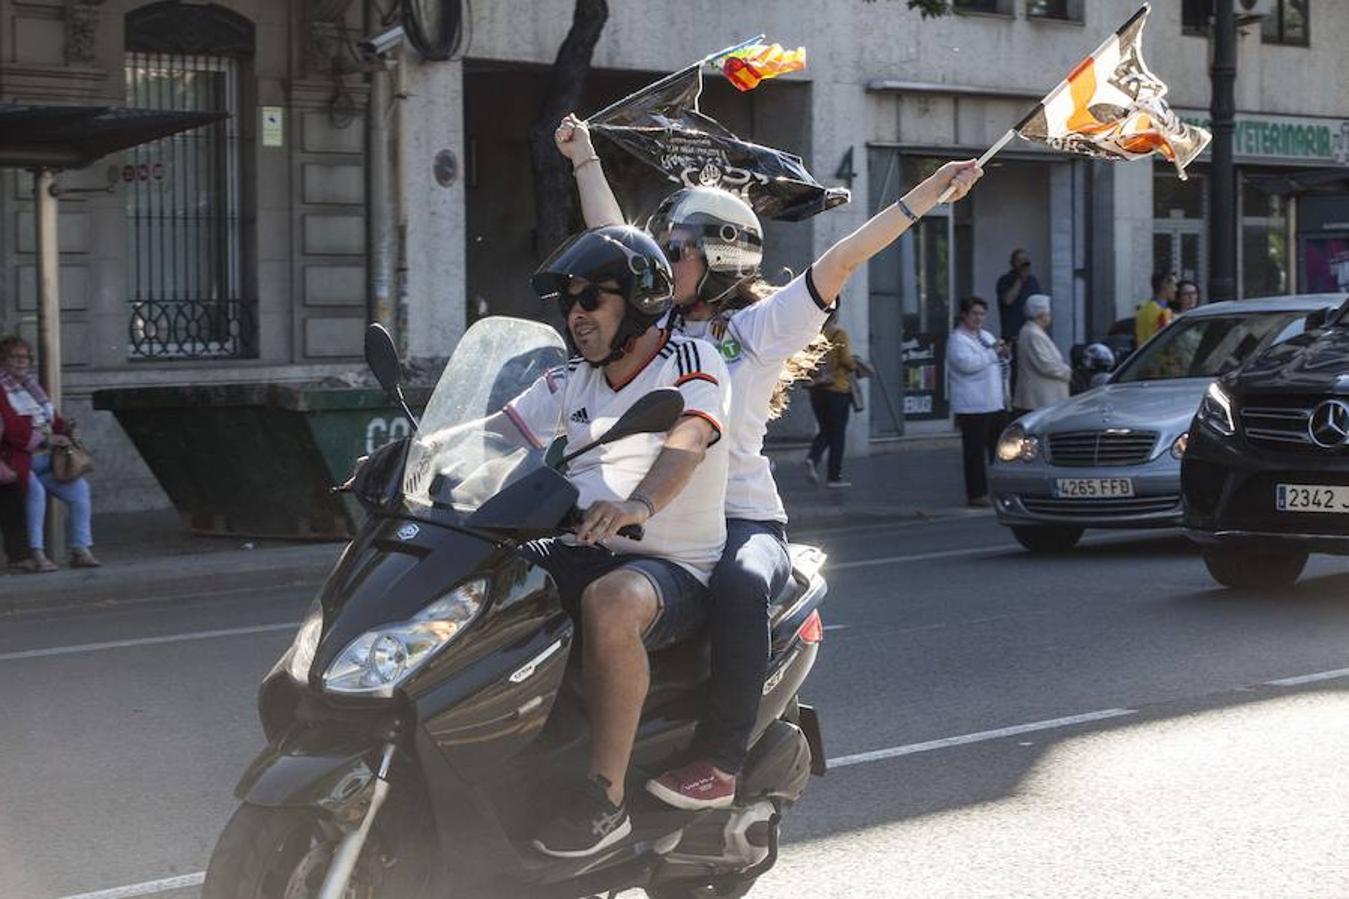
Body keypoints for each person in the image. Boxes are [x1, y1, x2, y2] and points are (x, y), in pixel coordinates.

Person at [556, 112, 981, 810]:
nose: (663, 259)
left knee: (739, 583)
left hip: (740, 517)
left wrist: (924, 195)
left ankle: (720, 759)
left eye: (678, 248)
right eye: (663, 248)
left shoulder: (757, 327)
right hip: (662, 513)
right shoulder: (652, 325)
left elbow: (841, 259)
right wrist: (584, 159)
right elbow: (612, 240)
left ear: (720, 257)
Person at [485, 225, 731, 858]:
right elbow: (493, 435)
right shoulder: (573, 377)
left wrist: (637, 504)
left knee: (611, 603)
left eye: (591, 298)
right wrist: (409, 458)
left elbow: (688, 441)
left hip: (670, 566)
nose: (575, 314)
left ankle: (605, 801)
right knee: (491, 579)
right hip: (585, 546)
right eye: (569, 302)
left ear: (639, 302)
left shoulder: (693, 365)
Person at [0, 336, 98, 572]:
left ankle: (80, 549)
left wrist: (64, 428)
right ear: (3, 360)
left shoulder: (31, 385)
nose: (22, 362)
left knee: (80, 490)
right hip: (20, 459)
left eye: (26, 357)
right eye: (16, 357)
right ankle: (37, 553)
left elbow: (50, 417)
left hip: (48, 458)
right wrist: (45, 438)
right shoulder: (2, 387)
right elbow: (11, 428)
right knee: (35, 492)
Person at [947, 297, 1008, 507]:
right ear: (964, 315)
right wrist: (993, 353)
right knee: (974, 452)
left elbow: (996, 360)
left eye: (982, 314)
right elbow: (968, 364)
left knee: (998, 450)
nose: (979, 318)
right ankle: (976, 493)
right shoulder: (957, 340)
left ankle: (999, 488)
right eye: (975, 314)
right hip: (972, 405)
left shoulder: (985, 336)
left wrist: (1003, 353)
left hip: (993, 402)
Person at [804, 314, 856, 489]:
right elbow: (847, 361)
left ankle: (813, 458)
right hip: (837, 389)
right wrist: (855, 365)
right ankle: (834, 477)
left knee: (825, 430)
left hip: (816, 391)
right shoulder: (840, 335)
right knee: (838, 434)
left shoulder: (811, 337)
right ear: (835, 317)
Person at [1013, 294, 1071, 414]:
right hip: (1041, 398)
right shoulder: (1033, 334)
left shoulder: (1033, 332)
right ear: (1041, 314)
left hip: (1043, 397)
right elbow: (1046, 365)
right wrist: (1066, 371)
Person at [995, 249, 1041, 346]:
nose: (1023, 263)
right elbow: (1007, 300)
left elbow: (1038, 306)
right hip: (1012, 336)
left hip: (1031, 334)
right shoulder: (1005, 280)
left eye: (1025, 260)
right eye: (1019, 260)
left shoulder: (1032, 281)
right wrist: (1020, 279)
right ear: (1012, 263)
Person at [1135, 271, 1177, 345]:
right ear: (1164, 285)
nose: (1176, 289)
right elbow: (1167, 342)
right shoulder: (1163, 313)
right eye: (1174, 285)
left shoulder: (1143, 308)